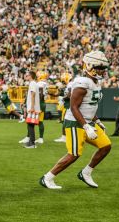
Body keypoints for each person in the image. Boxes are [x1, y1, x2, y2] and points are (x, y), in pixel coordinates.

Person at [41, 51, 111, 190]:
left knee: (106, 146)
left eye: (103, 68)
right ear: (89, 66)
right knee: (74, 154)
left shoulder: (94, 82)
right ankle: (47, 178)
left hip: (88, 122)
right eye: (99, 68)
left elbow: (89, 106)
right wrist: (86, 126)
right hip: (75, 122)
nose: (102, 71)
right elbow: (74, 107)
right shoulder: (82, 82)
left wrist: (96, 121)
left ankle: (86, 173)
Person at [20, 70, 46, 147]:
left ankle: (32, 143)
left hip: (33, 108)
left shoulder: (32, 83)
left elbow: (33, 95)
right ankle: (31, 142)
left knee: (30, 124)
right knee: (30, 124)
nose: (26, 76)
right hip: (34, 107)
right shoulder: (34, 83)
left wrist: (31, 107)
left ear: (31, 76)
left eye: (27, 75)